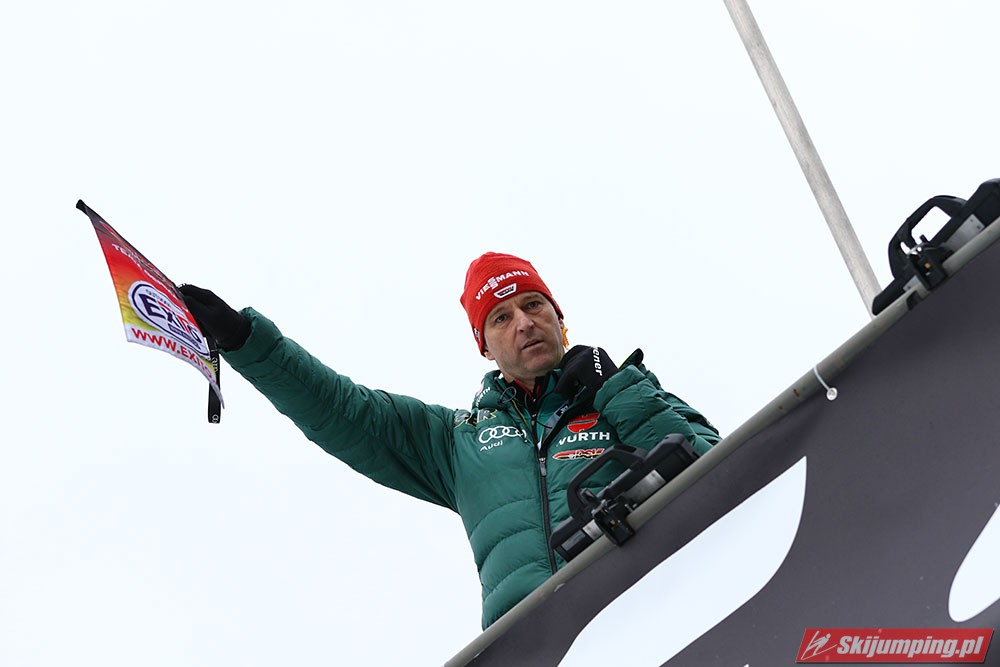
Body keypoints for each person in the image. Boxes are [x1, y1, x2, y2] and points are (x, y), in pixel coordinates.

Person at [179, 252, 721, 629]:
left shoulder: (627, 392)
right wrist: (244, 341)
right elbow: (342, 410)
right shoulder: (457, 440)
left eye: (534, 305)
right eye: (501, 317)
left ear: (560, 319)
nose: (524, 323)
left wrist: (616, 389)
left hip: (647, 617)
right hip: (537, 647)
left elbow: (718, 466)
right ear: (484, 346)